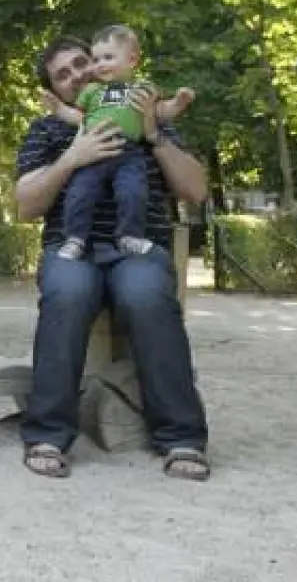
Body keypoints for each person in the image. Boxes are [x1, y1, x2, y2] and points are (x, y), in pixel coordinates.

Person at [14, 34, 211, 482]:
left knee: (146, 296)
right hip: (72, 248)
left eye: (80, 62)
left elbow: (196, 190)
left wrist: (154, 134)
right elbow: (25, 206)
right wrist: (72, 157)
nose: (75, 75)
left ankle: (181, 437)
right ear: (55, 88)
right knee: (68, 294)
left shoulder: (140, 105)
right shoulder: (47, 129)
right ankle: (47, 435)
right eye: (62, 74)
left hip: (137, 248)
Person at [42, 24, 195, 261]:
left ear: (132, 60)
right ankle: (75, 239)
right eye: (96, 59)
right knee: (80, 192)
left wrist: (179, 103)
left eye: (108, 58)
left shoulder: (142, 88)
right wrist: (59, 108)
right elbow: (78, 117)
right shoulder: (92, 91)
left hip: (129, 153)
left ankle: (129, 236)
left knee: (133, 191)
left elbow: (161, 112)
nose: (101, 64)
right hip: (92, 154)